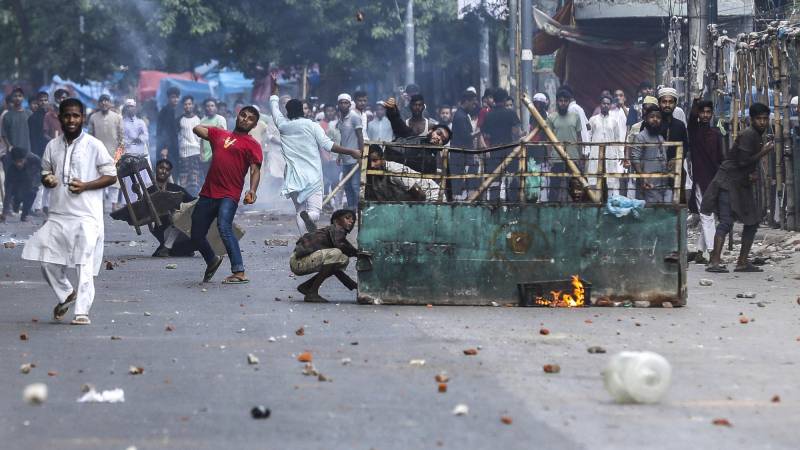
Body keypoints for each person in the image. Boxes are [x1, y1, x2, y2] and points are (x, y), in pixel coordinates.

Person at [21, 98, 117, 325]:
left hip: (86, 215)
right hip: (58, 214)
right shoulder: (52, 146)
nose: (71, 120)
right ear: (60, 118)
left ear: (82, 118)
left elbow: (111, 175)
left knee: (83, 263)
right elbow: (45, 172)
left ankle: (82, 311)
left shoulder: (94, 145)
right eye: (67, 116)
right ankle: (66, 294)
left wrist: (86, 185)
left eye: (76, 115)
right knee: (46, 260)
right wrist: (48, 179)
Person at [190, 105, 263, 284]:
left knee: (224, 227)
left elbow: (255, 170)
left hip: (229, 195)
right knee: (196, 234)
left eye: (250, 118)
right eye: (243, 115)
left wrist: (252, 190)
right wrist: (215, 131)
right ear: (237, 116)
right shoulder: (220, 134)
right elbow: (197, 129)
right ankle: (212, 259)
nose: (245, 119)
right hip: (208, 193)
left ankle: (239, 271)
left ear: (254, 125)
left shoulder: (252, 144)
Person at [270, 95, 361, 234]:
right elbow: (328, 145)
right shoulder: (312, 125)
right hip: (311, 176)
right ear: (303, 111)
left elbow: (274, 109)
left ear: (287, 112)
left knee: (300, 211)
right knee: (314, 212)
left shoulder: (283, 125)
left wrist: (274, 94)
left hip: (292, 177)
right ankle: (310, 218)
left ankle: (304, 241)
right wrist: (351, 151)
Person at [703, 103, 773, 274]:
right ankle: (715, 261)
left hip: (740, 183)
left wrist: (750, 175)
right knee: (726, 221)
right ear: (752, 119)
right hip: (728, 182)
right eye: (759, 119)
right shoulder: (749, 134)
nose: (762, 122)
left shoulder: (756, 135)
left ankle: (742, 261)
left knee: (752, 221)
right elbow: (742, 161)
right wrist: (763, 152)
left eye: (765, 119)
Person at [290, 209, 358, 303]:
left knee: (342, 259)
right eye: (347, 218)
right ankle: (313, 293)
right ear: (336, 221)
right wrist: (358, 254)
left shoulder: (332, 233)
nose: (351, 221)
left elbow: (335, 269)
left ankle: (306, 287)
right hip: (298, 261)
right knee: (336, 253)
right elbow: (341, 245)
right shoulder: (336, 229)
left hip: (299, 261)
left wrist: (353, 285)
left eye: (353, 220)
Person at [687, 99, 724, 264]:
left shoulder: (716, 134)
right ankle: (713, 252)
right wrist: (695, 105)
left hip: (714, 178)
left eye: (708, 112)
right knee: (706, 215)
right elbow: (691, 120)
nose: (705, 115)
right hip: (701, 180)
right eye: (703, 112)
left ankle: (701, 251)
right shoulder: (694, 132)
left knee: (709, 216)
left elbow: (720, 158)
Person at [383, 97, 452, 175]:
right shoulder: (413, 138)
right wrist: (392, 110)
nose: (439, 138)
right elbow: (398, 124)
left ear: (441, 146)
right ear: (430, 131)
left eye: (442, 139)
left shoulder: (432, 163)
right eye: (439, 133)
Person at [147, 159, 195, 257]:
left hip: (180, 231)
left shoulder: (176, 189)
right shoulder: (149, 191)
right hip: (162, 231)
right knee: (179, 218)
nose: (164, 171)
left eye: (167, 170)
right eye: (161, 168)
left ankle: (173, 249)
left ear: (170, 173)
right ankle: (167, 247)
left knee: (186, 217)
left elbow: (193, 201)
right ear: (156, 169)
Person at [481, 88, 522, 201]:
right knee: (512, 178)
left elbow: (486, 134)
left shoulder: (489, 115)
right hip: (510, 151)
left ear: (493, 99)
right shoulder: (511, 113)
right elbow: (516, 132)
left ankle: (494, 206)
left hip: (495, 151)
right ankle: (512, 205)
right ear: (505, 100)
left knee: (495, 181)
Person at [545, 89, 584, 202]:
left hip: (573, 157)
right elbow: (549, 139)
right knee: (554, 187)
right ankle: (552, 211)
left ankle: (575, 212)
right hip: (556, 158)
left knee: (574, 187)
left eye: (565, 101)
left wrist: (581, 157)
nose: (563, 103)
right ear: (557, 101)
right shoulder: (551, 118)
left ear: (569, 102)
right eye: (561, 101)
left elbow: (579, 138)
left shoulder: (575, 116)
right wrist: (549, 157)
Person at [365, 145, 440, 201]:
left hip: (432, 195)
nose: (372, 165)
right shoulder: (374, 176)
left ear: (383, 159)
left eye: (375, 160)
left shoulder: (394, 170)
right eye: (369, 161)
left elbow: (420, 195)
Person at [630, 105, 672, 204]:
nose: (655, 120)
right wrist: (643, 177)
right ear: (645, 118)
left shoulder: (660, 137)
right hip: (648, 186)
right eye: (652, 117)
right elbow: (634, 158)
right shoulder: (641, 137)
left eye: (658, 117)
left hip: (662, 184)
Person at [88, 94, 124, 210]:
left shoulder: (117, 117)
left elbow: (122, 138)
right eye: (102, 101)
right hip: (98, 154)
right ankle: (102, 204)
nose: (104, 103)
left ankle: (113, 204)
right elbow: (90, 137)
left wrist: (119, 155)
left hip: (114, 154)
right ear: (99, 104)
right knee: (99, 179)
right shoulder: (93, 117)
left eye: (106, 101)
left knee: (114, 179)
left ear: (110, 103)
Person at [587, 96, 626, 196]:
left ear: (610, 106)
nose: (606, 105)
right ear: (600, 105)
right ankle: (596, 201)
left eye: (608, 104)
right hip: (596, 153)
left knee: (610, 180)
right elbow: (588, 136)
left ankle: (609, 201)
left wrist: (620, 154)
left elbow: (618, 139)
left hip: (610, 153)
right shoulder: (593, 120)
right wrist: (587, 151)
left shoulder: (614, 121)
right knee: (595, 179)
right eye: (604, 103)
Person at [335, 93, 364, 209]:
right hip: (345, 159)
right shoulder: (340, 118)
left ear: (350, 104)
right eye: (341, 103)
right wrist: (339, 155)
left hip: (355, 158)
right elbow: (343, 139)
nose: (343, 105)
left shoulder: (355, 117)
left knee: (355, 185)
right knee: (347, 186)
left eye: (346, 103)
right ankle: (352, 209)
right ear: (338, 104)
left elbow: (360, 137)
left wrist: (361, 156)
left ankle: (359, 210)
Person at [449, 90, 480, 200]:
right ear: (466, 101)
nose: (474, 106)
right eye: (473, 103)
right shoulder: (460, 116)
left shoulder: (463, 114)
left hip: (462, 153)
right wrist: (478, 132)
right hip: (460, 154)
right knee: (458, 181)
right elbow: (466, 136)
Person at [0, 147, 40, 222]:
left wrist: (35, 179)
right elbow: (8, 191)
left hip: (29, 176)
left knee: (32, 192)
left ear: (25, 159)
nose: (19, 164)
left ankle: (24, 215)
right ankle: (16, 203)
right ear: (13, 160)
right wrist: (4, 213)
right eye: (16, 162)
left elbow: (41, 170)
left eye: (21, 161)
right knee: (15, 196)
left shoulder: (34, 159)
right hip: (15, 179)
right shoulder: (9, 164)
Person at [121, 99, 151, 198]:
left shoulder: (141, 122)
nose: (131, 109)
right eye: (128, 107)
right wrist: (132, 141)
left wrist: (139, 138)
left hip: (140, 154)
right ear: (125, 108)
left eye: (132, 107)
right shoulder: (122, 123)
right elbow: (122, 139)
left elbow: (146, 136)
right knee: (130, 182)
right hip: (128, 155)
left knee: (141, 180)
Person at [177, 96, 202, 195]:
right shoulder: (179, 120)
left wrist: (201, 151)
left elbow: (201, 137)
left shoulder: (198, 119)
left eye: (189, 104)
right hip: (184, 152)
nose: (187, 106)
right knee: (184, 177)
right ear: (183, 106)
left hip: (196, 151)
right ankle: (183, 198)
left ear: (193, 105)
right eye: (185, 104)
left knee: (195, 176)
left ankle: (195, 197)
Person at [199, 98, 228, 187]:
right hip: (206, 155)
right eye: (208, 106)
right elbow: (201, 140)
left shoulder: (220, 119)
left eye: (212, 106)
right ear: (205, 108)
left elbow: (221, 132)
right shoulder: (202, 120)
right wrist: (201, 153)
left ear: (216, 108)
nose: (210, 108)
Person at [2, 88, 31, 153]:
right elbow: (4, 135)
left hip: (27, 150)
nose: (17, 98)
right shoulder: (7, 116)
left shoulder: (29, 114)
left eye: (20, 96)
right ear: (12, 98)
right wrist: (10, 147)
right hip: (14, 152)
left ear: (23, 98)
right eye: (15, 96)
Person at [157, 87, 181, 164]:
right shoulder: (165, 111)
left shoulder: (175, 110)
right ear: (168, 98)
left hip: (174, 146)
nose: (176, 99)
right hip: (167, 148)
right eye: (173, 97)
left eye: (177, 97)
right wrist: (165, 147)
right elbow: (164, 131)